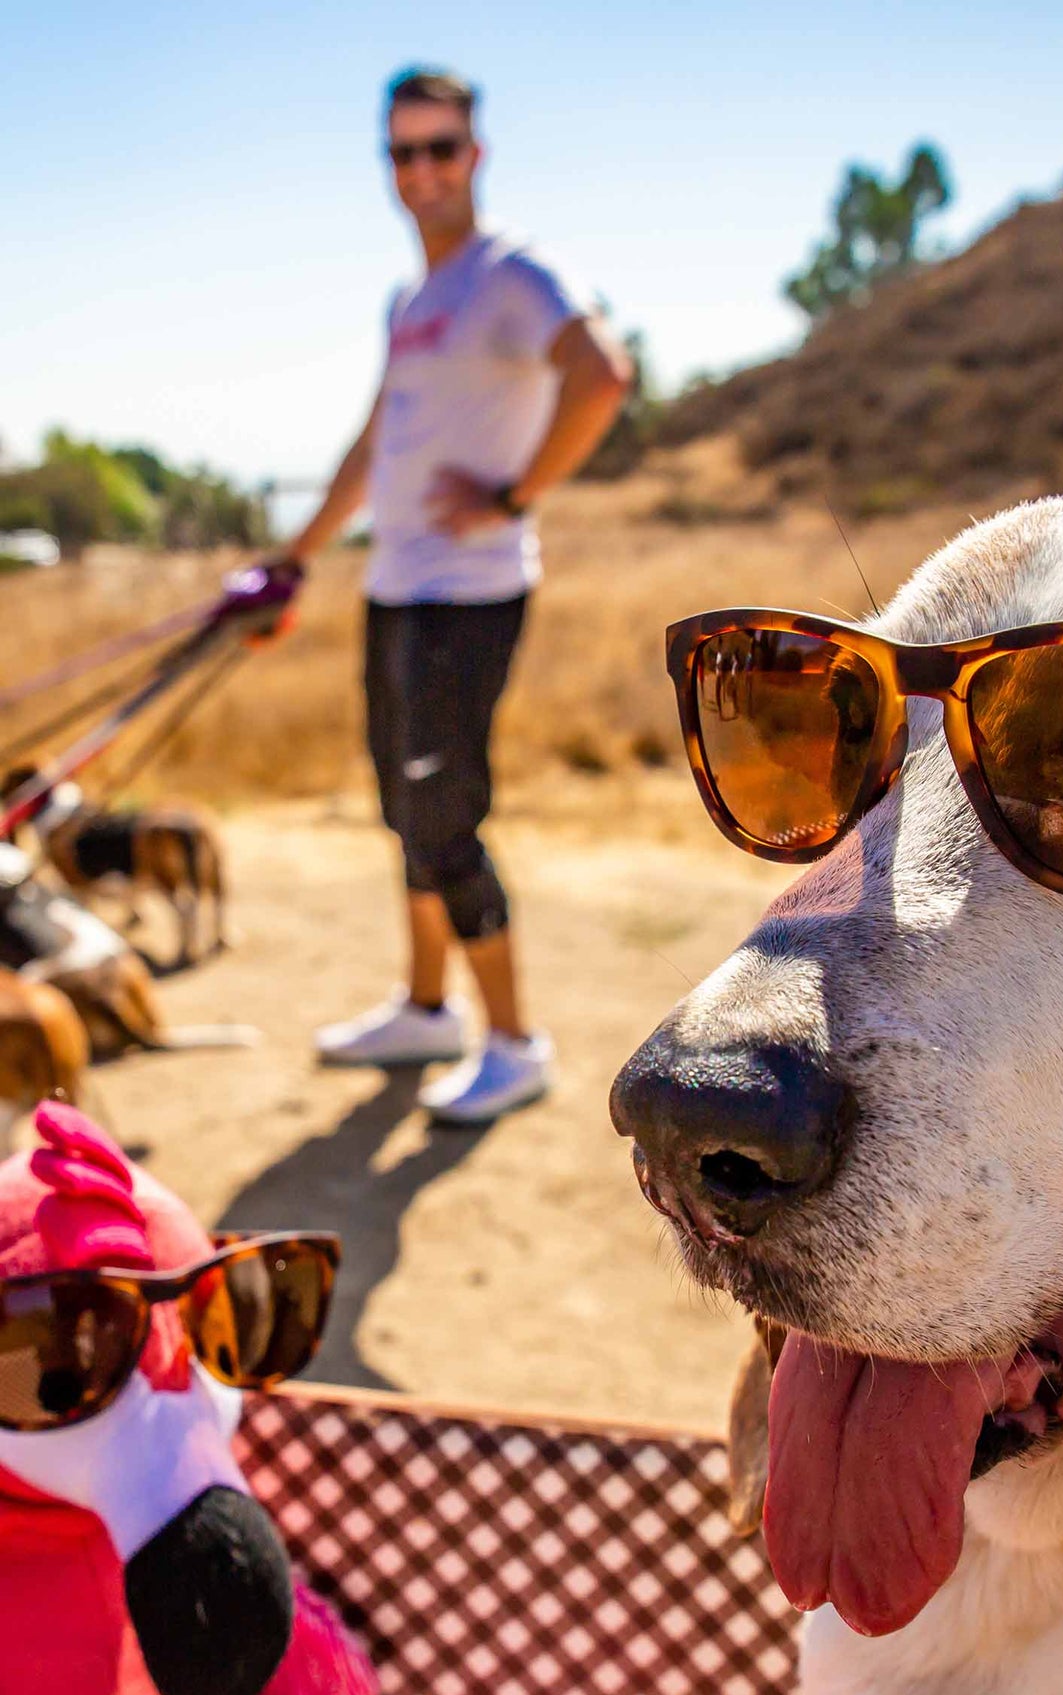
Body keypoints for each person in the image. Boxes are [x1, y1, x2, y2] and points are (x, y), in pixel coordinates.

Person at [278, 67, 631, 1123]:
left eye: (439, 149)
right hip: (394, 586)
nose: (420, 171)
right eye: (401, 152)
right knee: (403, 809)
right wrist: (292, 557)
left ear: (473, 157)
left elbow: (601, 373)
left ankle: (514, 1044)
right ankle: (428, 1008)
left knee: (444, 814)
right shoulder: (413, 299)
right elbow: (371, 443)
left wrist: (514, 494)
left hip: (466, 599)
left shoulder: (508, 275)